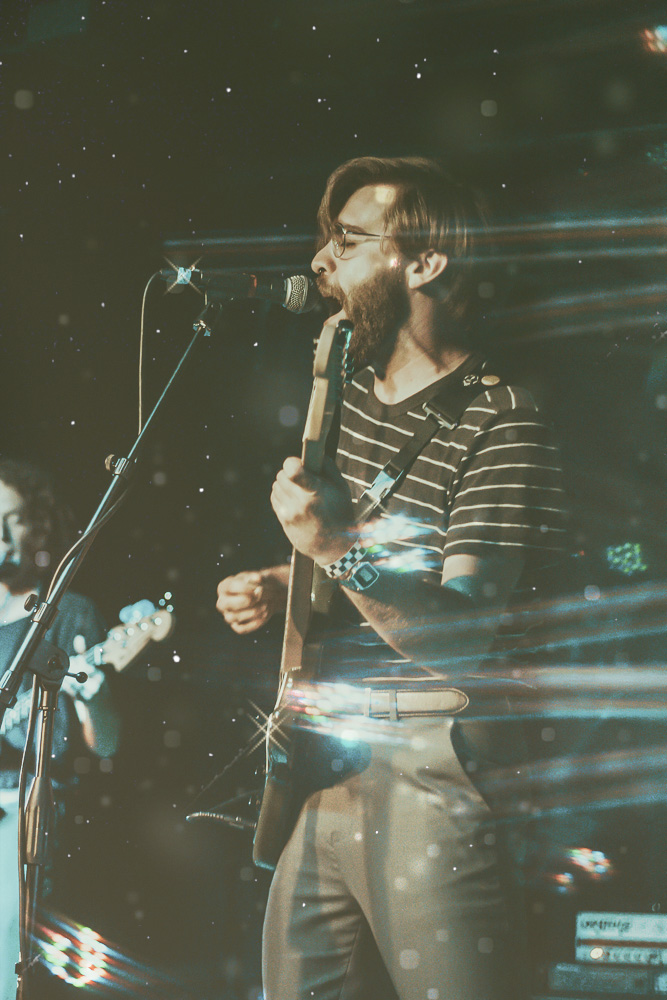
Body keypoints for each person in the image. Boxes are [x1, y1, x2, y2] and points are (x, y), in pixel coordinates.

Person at [216, 157, 567, 1000]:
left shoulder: (501, 419)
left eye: (347, 239)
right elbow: (388, 563)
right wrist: (287, 577)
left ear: (424, 262)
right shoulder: (341, 394)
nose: (319, 261)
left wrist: (336, 549)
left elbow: (460, 634)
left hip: (429, 759)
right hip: (321, 760)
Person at [0, 458, 120, 999]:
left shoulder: (69, 614)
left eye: (13, 519)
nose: (1, 534)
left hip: (29, 813)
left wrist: (95, 699)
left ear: (41, 527)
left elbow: (109, 744)